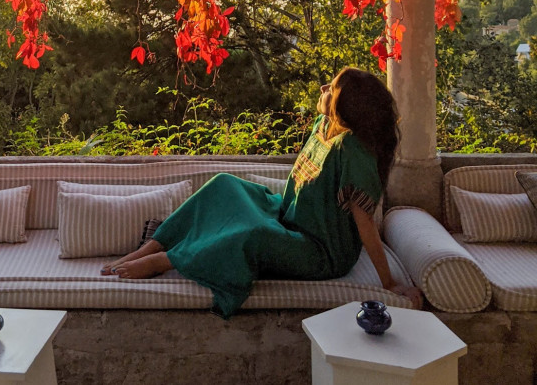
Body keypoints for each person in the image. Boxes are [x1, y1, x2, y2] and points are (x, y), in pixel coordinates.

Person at [101, 66, 424, 318]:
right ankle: (151, 246)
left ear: (345, 104)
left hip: (318, 250)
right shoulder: (322, 128)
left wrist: (389, 282)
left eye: (332, 87)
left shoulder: (351, 147)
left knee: (252, 234)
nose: (324, 88)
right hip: (286, 216)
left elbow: (363, 219)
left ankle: (166, 260)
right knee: (224, 185)